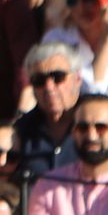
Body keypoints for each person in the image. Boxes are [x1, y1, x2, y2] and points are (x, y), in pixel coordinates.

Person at [42, 0, 108, 112]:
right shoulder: (56, 39)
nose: (81, 7)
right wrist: (106, 40)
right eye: (72, 1)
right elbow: (90, 93)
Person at [15, 41, 86, 176]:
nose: (49, 87)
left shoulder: (100, 123)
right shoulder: (22, 129)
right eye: (39, 80)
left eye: (58, 77)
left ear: (77, 79)